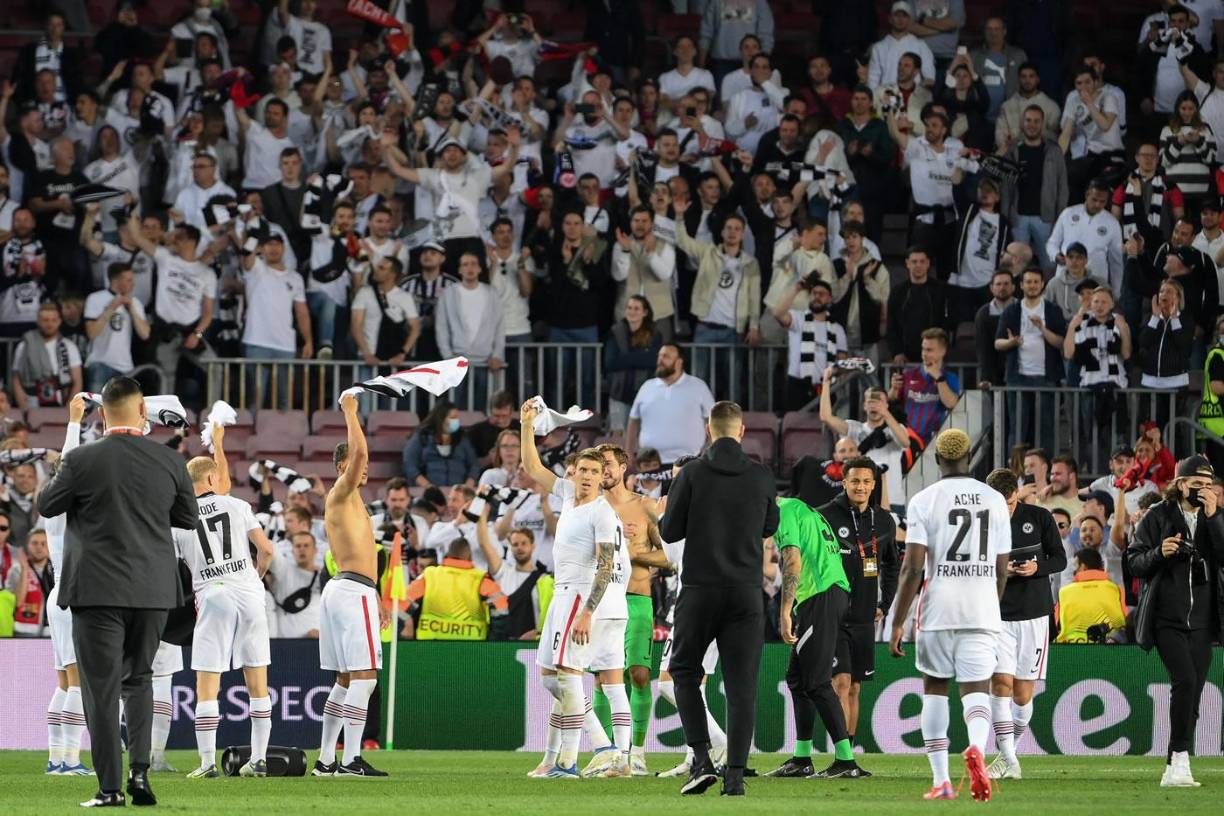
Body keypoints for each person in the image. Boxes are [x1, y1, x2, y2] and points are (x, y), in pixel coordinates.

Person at [38, 376, 198, 808]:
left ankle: (110, 789)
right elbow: (187, 518)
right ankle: (141, 775)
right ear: (143, 412)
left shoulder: (82, 460)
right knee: (140, 681)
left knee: (101, 689)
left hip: (95, 590)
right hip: (152, 590)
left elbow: (46, 505)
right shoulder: (170, 462)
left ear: (103, 413)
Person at [659, 401, 779, 797]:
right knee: (742, 687)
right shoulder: (761, 476)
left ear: (708, 431)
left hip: (700, 591)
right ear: (741, 431)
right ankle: (735, 777)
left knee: (684, 673)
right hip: (746, 593)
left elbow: (671, 531)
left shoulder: (692, 473)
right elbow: (769, 525)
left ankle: (703, 760)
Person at [888, 429, 1012, 802]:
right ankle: (976, 747)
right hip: (982, 608)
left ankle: (941, 781)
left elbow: (912, 568)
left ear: (938, 460)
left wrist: (897, 620)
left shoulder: (924, 500)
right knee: (977, 689)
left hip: (939, 609)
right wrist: (990, 602)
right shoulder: (995, 500)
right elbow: (1002, 569)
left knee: (935, 688)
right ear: (970, 456)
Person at [518, 402, 621, 780]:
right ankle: (603, 745)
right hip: (561, 595)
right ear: (573, 473)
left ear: (602, 476)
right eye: (584, 470)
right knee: (548, 676)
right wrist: (527, 425)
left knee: (568, 673)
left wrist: (588, 611)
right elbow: (532, 468)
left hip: (580, 596)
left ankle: (568, 762)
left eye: (597, 471)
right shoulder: (565, 494)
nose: (590, 476)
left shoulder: (602, 512)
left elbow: (606, 565)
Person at [174, 427, 275, 779]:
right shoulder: (238, 504)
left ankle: (206, 764)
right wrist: (255, 577)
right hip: (249, 591)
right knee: (257, 681)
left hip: (212, 592)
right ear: (213, 478)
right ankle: (259, 760)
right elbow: (267, 550)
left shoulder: (178, 519)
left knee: (208, 683)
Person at [1127, 455, 1224, 789]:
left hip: (1203, 620)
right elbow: (1134, 562)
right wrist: (1160, 553)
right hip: (1166, 617)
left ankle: (1175, 762)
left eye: (1208, 485)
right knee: (1184, 679)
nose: (1202, 491)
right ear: (1180, 484)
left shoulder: (1216, 519)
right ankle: (1181, 759)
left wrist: (1214, 518)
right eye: (1196, 484)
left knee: (1194, 690)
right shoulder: (1157, 517)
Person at [767, 483, 869, 780]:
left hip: (820, 596)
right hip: (827, 595)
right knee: (798, 679)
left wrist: (785, 610)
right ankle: (802, 759)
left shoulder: (783, 512)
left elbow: (792, 560)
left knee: (816, 681)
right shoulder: (801, 509)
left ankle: (847, 761)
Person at [313, 394, 388, 777]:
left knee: (345, 681)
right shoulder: (341, 491)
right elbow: (358, 454)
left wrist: (376, 593)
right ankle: (351, 760)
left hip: (351, 589)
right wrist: (350, 413)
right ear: (342, 465)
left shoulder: (353, 500)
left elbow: (362, 555)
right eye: (359, 463)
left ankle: (326, 760)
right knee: (366, 678)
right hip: (349, 591)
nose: (364, 468)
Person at [982, 468, 1066, 781]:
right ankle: (1009, 760)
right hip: (998, 615)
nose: (1005, 509)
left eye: (1010, 502)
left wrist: (1036, 567)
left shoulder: (1040, 517)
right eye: (999, 503)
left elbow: (1060, 559)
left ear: (1017, 494)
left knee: (1022, 694)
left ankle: (1008, 754)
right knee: (1000, 684)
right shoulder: (981, 522)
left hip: (1034, 615)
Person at [590, 443, 668, 776]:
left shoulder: (646, 507)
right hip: (602, 601)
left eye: (607, 463)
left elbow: (670, 558)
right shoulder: (590, 508)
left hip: (637, 598)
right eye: (597, 465)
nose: (602, 470)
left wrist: (630, 556)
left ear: (624, 467)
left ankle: (637, 752)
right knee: (602, 679)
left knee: (638, 673)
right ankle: (608, 753)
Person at [820, 457, 898, 752]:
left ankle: (847, 752)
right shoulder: (825, 516)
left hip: (865, 615)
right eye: (855, 481)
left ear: (874, 485)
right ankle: (841, 754)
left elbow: (892, 565)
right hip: (833, 613)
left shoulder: (884, 521)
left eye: (866, 482)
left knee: (854, 687)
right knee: (839, 682)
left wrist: (886, 602)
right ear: (844, 483)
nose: (860, 487)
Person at [39, 395, 91, 776]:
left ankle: (56, 757)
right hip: (74, 594)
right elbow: (70, 459)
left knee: (63, 680)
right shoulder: (64, 504)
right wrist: (74, 421)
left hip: (57, 594)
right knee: (78, 681)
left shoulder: (50, 506)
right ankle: (70, 760)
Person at [994, 268, 1068, 456]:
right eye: (1028, 282)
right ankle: (1014, 475)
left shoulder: (1052, 310)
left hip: (1047, 378)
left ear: (1042, 284)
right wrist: (1011, 342)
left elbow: (1061, 343)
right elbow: (998, 343)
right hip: (1017, 378)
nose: (1032, 285)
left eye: (1036, 281)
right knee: (1017, 430)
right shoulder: (1012, 310)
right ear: (1021, 285)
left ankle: (1047, 473)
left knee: (1046, 430)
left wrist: (1042, 329)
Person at [820, 370, 911, 512]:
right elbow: (826, 417)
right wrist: (826, 382)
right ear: (864, 406)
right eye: (870, 401)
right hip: (862, 500)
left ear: (887, 405)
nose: (874, 405)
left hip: (893, 501)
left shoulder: (895, 428)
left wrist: (885, 413)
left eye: (879, 401)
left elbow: (905, 442)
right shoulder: (855, 428)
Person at [403, 535, 509, 640]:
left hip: (430, 649)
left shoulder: (429, 576)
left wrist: (406, 630)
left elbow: (401, 603)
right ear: (470, 556)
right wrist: (494, 639)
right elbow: (501, 607)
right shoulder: (480, 579)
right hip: (473, 650)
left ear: (447, 554)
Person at [627, 344, 714, 466]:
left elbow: (714, 420)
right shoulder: (647, 386)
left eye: (666, 357)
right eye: (659, 356)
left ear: (679, 362)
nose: (660, 360)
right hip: (650, 464)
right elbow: (633, 421)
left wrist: (707, 451)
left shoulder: (698, 386)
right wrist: (629, 451)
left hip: (688, 463)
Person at [83, 263, 151, 391]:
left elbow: (145, 334)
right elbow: (92, 333)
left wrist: (132, 310)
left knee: (124, 409)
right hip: (100, 363)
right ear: (116, 280)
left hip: (125, 367)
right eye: (129, 280)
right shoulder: (95, 298)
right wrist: (111, 308)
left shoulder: (135, 303)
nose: (133, 284)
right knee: (98, 407)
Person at [888, 327, 961, 445]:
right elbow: (891, 400)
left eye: (929, 350)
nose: (924, 354)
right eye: (923, 349)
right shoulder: (909, 374)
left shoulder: (950, 377)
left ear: (943, 351)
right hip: (908, 440)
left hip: (935, 441)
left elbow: (952, 404)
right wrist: (893, 389)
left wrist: (939, 378)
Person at [606, 295, 665, 434]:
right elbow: (610, 362)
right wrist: (640, 357)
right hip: (618, 393)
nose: (632, 311)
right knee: (618, 438)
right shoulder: (615, 332)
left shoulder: (654, 334)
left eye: (636, 308)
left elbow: (653, 361)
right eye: (629, 308)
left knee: (642, 437)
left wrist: (626, 358)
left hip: (645, 395)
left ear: (645, 312)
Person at [11, 301, 82, 409]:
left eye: (54, 320)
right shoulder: (24, 345)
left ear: (59, 322)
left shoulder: (69, 346)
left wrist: (69, 407)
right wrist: (23, 406)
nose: (49, 324)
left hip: (61, 399)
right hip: (32, 399)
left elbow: (77, 381)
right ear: (38, 321)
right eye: (45, 320)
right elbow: (16, 379)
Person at [1055, 548, 1127, 643]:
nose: (1074, 572)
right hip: (1110, 651)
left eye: (1075, 566)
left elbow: (1056, 626)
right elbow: (1127, 623)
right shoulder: (1117, 590)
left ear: (1084, 567)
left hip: (1070, 652)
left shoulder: (1064, 593)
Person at [402, 401, 479, 488]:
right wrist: (428, 487)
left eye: (457, 418)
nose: (456, 421)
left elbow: (474, 465)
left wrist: (467, 486)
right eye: (453, 417)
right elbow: (410, 466)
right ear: (441, 419)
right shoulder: (421, 437)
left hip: (458, 492)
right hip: (427, 492)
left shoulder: (462, 438)